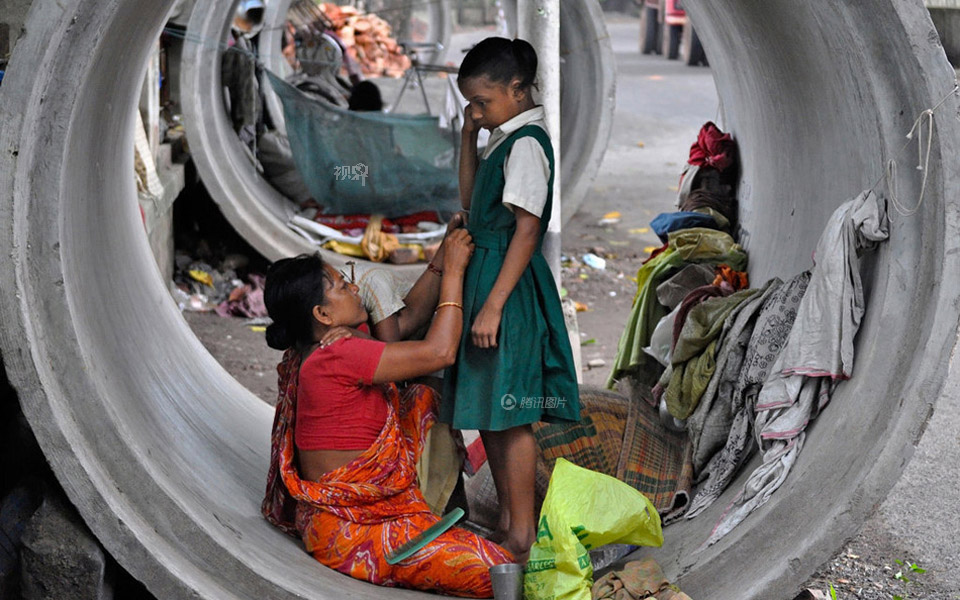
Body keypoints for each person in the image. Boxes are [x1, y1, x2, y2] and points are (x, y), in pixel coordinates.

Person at [260, 228, 513, 598]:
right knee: (496, 571)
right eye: (341, 286)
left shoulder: (314, 349)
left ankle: (435, 513)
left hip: (339, 516)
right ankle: (431, 521)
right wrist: (455, 274)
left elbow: (406, 321)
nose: (355, 289)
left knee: (423, 396)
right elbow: (439, 352)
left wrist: (441, 259)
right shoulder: (338, 354)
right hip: (352, 529)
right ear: (322, 313)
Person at [441, 37, 581, 561]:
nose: (476, 112)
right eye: (469, 104)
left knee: (511, 411)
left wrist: (495, 304)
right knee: (491, 410)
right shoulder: (501, 136)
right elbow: (469, 201)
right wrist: (467, 135)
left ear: (518, 91)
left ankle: (521, 532)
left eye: (483, 103)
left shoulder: (526, 143)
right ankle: (506, 522)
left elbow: (526, 231)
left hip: (508, 287)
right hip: (488, 279)